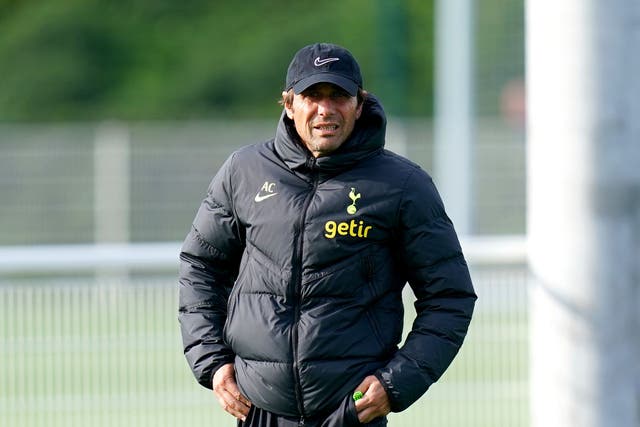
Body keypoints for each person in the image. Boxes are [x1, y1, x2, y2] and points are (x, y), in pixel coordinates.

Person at [178, 42, 476, 427]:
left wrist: (396, 384)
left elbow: (450, 297)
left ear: (358, 103)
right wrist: (213, 363)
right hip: (259, 412)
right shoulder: (243, 171)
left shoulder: (403, 185)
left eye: (339, 95)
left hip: (350, 414)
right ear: (288, 104)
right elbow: (201, 266)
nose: (325, 109)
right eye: (312, 96)